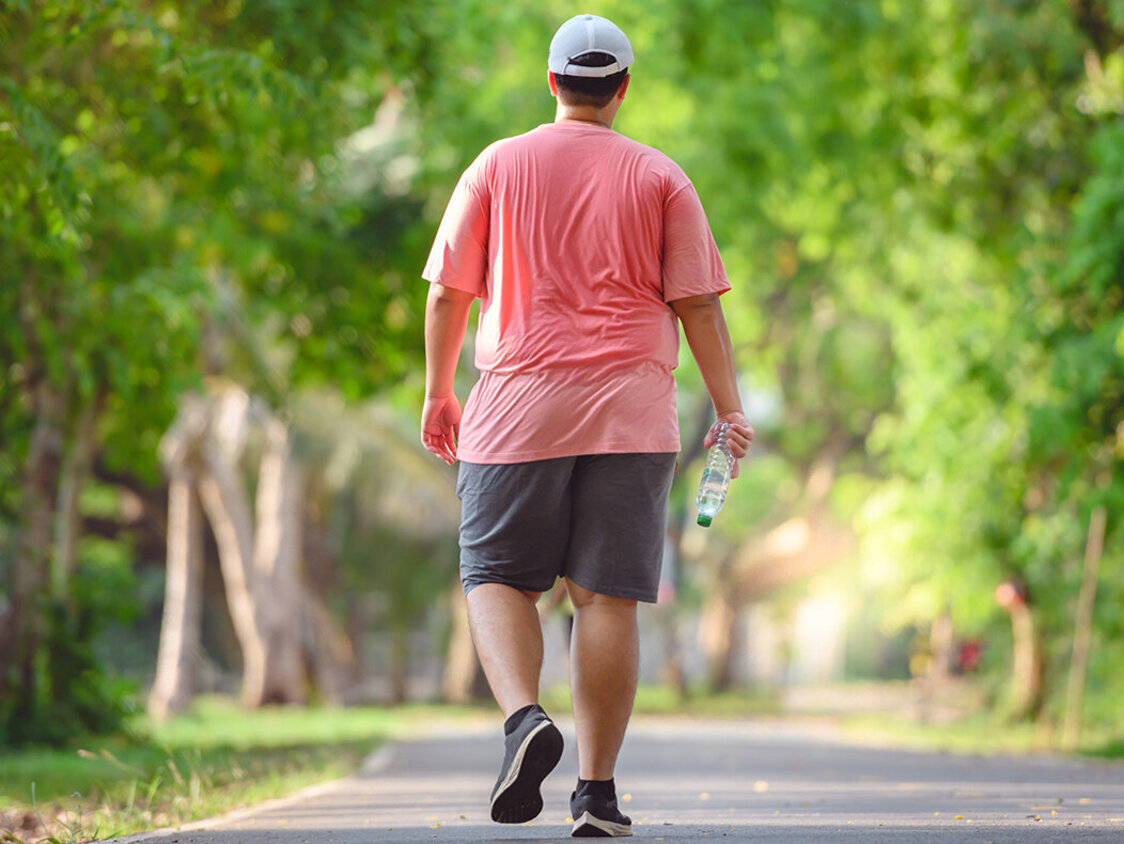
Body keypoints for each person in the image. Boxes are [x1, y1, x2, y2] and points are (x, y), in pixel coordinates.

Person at [420, 13, 753, 838]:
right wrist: (730, 407)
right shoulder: (660, 176)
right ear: (623, 89)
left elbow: (445, 294)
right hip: (632, 413)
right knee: (606, 600)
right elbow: (699, 306)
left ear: (553, 80)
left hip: (516, 407)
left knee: (496, 574)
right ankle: (596, 796)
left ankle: (524, 720)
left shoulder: (496, 164)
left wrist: (438, 392)